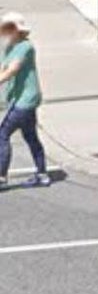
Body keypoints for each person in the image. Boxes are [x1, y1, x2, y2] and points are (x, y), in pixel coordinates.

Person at [0, 12, 50, 188]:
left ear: (18, 30)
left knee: (2, 135)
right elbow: (3, 69)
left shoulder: (26, 47)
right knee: (30, 136)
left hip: (26, 99)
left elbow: (13, 69)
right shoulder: (9, 47)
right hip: (19, 99)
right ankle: (42, 175)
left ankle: (1, 176)